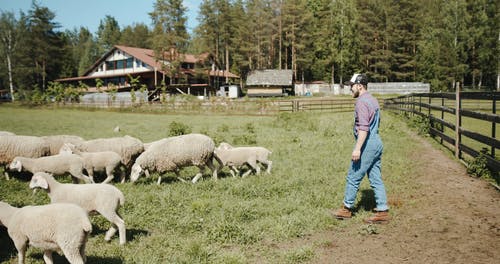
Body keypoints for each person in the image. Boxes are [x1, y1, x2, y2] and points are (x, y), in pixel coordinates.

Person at [333, 73, 390, 223]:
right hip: (376, 141)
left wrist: (358, 148)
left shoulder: (361, 102)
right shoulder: (373, 100)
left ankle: (347, 208)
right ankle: (383, 210)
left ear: (359, 85)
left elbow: (364, 129)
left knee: (353, 175)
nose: (350, 89)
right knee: (375, 177)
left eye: (351, 86)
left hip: (367, 143)